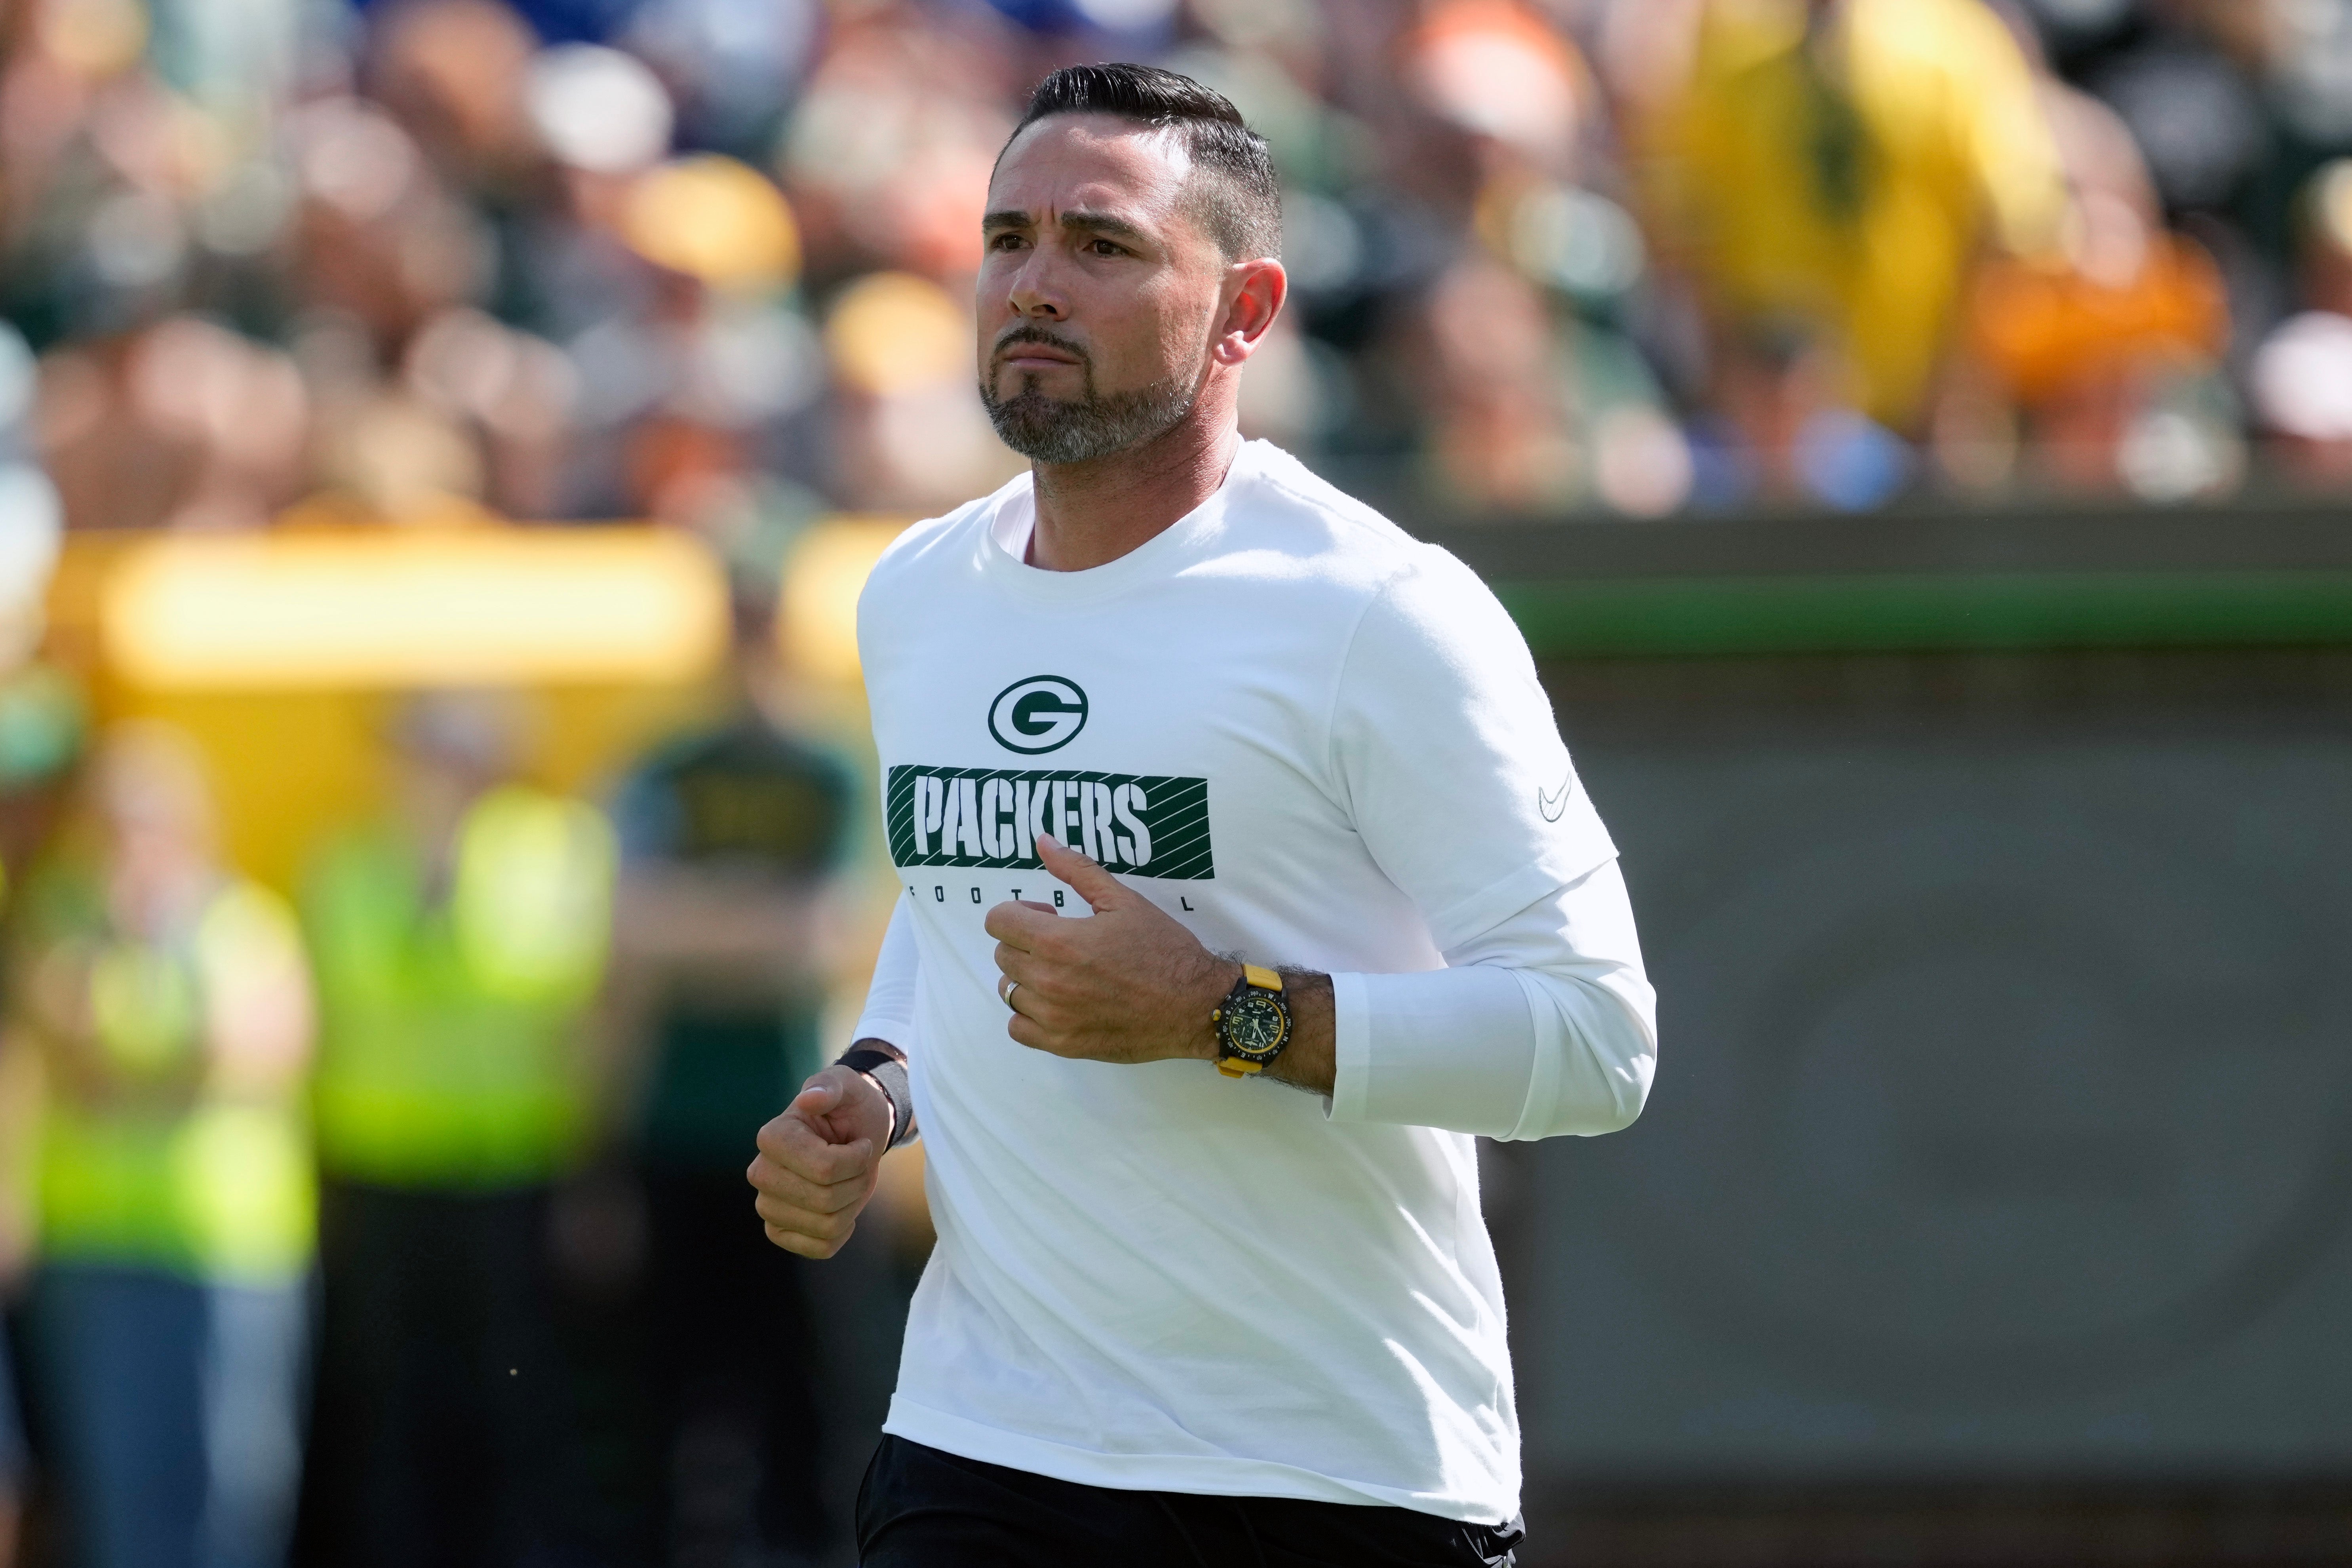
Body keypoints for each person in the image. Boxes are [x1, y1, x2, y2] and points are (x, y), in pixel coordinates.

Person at [745, 65, 1657, 1566]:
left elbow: (1595, 1044)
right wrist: (883, 1085)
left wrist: (1221, 1015)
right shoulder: (918, 593)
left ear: (1246, 310)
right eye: (1008, 238)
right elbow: (958, 890)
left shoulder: (1380, 613)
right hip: (984, 1446)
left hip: (1333, 1478)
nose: (1035, 285)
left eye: (1102, 247)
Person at [297, 693, 615, 1568]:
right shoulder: (350, 857)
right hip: (379, 1171)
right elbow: (356, 984)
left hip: (509, 1171)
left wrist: (594, 1170)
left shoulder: (556, 847)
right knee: (390, 1405)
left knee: (512, 1401)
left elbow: (561, 996)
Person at [8, 722, 316, 1568]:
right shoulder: (63, 920)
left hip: (228, 1250)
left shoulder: (240, 921)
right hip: (98, 1249)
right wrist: (167, 1060)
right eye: (113, 823)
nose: (130, 844)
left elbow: (257, 1047)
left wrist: (136, 1056)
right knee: (122, 1494)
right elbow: (71, 1043)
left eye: (149, 822)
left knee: (236, 1489)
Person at [605, 598, 860, 1563]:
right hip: (677, 1124)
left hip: (804, 1127)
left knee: (808, 1404)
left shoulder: (827, 768)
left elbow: (823, 938)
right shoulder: (668, 765)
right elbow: (634, 930)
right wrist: (757, 913)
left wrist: (699, 919)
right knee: (668, 1405)